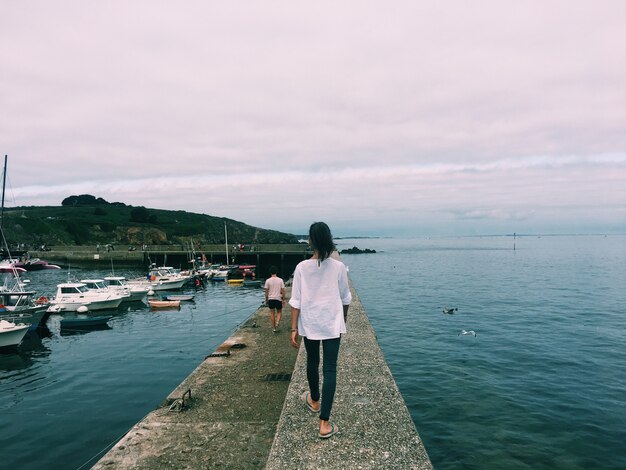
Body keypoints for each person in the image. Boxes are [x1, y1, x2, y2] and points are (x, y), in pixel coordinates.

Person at [289, 222, 351, 439]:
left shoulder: (301, 267)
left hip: (311, 322)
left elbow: (296, 301)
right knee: (330, 369)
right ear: (329, 239)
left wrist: (293, 328)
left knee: (312, 362)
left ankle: (314, 401)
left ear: (311, 240)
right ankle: (324, 424)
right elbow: (345, 298)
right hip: (332, 324)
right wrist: (342, 319)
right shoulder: (338, 267)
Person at [264, 266, 285, 333]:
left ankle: (274, 328)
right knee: (279, 312)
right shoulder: (280, 280)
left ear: (270, 272)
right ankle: (278, 321)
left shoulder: (268, 281)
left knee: (272, 313)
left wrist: (266, 300)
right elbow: (283, 290)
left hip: (271, 299)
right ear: (276, 272)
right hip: (278, 298)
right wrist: (283, 299)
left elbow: (266, 292)